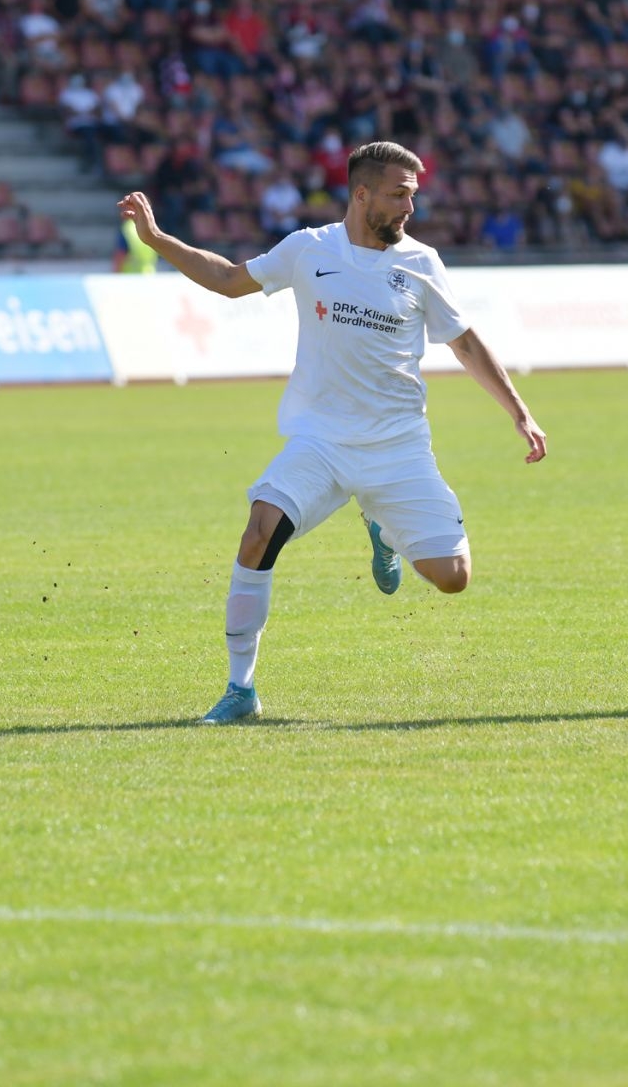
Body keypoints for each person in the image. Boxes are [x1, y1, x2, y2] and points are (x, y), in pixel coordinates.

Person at [114, 140, 547, 724]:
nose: (408, 209)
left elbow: (464, 342)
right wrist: (159, 240)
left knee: (453, 579)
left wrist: (519, 413)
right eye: (398, 196)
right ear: (361, 193)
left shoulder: (421, 263)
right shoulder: (308, 249)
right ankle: (241, 689)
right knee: (257, 533)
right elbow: (229, 280)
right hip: (320, 443)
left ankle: (382, 525)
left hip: (397, 447)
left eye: (413, 197)